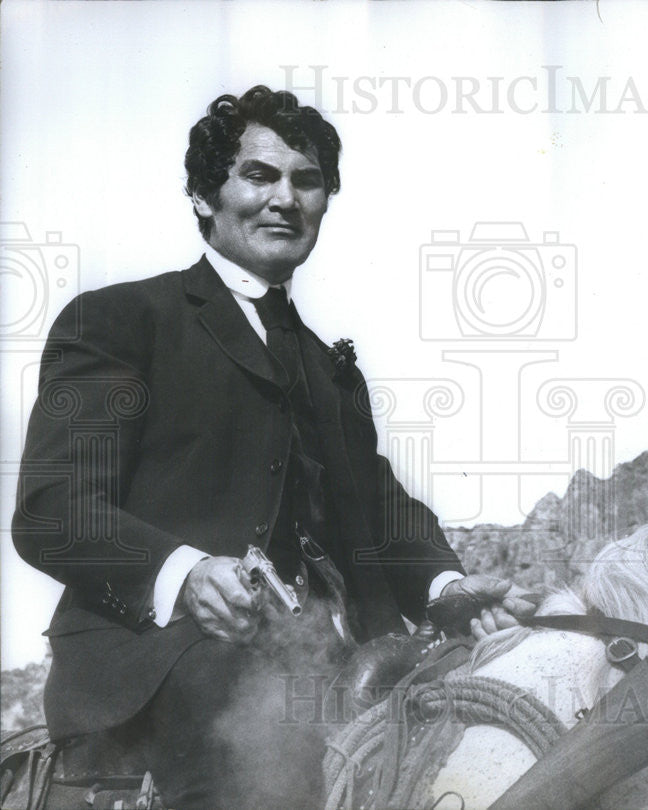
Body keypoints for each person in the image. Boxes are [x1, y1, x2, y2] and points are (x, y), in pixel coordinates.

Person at [12, 85, 534, 809]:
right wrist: (183, 573)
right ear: (203, 195)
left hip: (335, 676)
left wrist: (446, 591)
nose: (285, 197)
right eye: (260, 175)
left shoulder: (328, 371)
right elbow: (51, 510)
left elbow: (379, 510)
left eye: (307, 180)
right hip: (160, 680)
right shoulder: (122, 320)